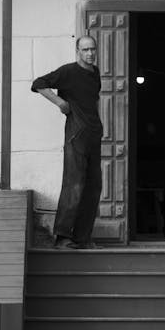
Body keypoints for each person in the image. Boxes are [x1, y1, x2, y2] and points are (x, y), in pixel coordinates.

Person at [31, 36, 103, 249]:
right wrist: (60, 102)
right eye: (85, 50)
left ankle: (82, 237)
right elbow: (38, 84)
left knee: (93, 187)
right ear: (77, 51)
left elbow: (95, 99)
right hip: (75, 134)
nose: (89, 53)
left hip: (93, 134)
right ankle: (62, 237)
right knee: (74, 185)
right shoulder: (68, 71)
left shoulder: (95, 73)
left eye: (92, 49)